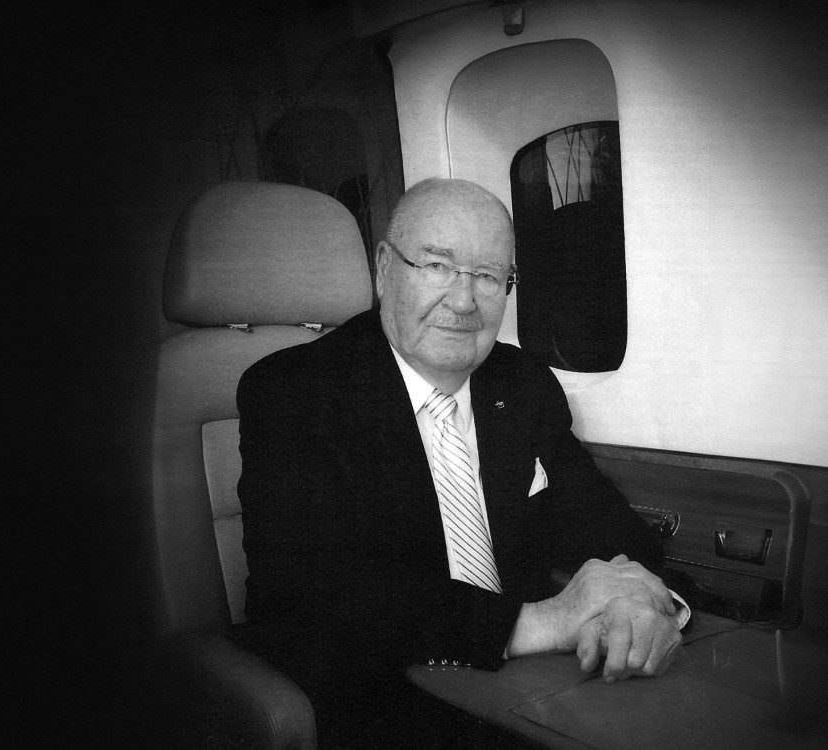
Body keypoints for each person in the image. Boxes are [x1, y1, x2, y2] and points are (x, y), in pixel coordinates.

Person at [235, 178, 688, 746]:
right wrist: (548, 620)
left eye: (488, 276)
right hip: (381, 703)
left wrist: (646, 606)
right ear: (384, 268)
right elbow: (317, 596)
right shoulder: (293, 391)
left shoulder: (523, 383)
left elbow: (609, 525)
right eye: (437, 266)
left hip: (524, 691)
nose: (464, 300)